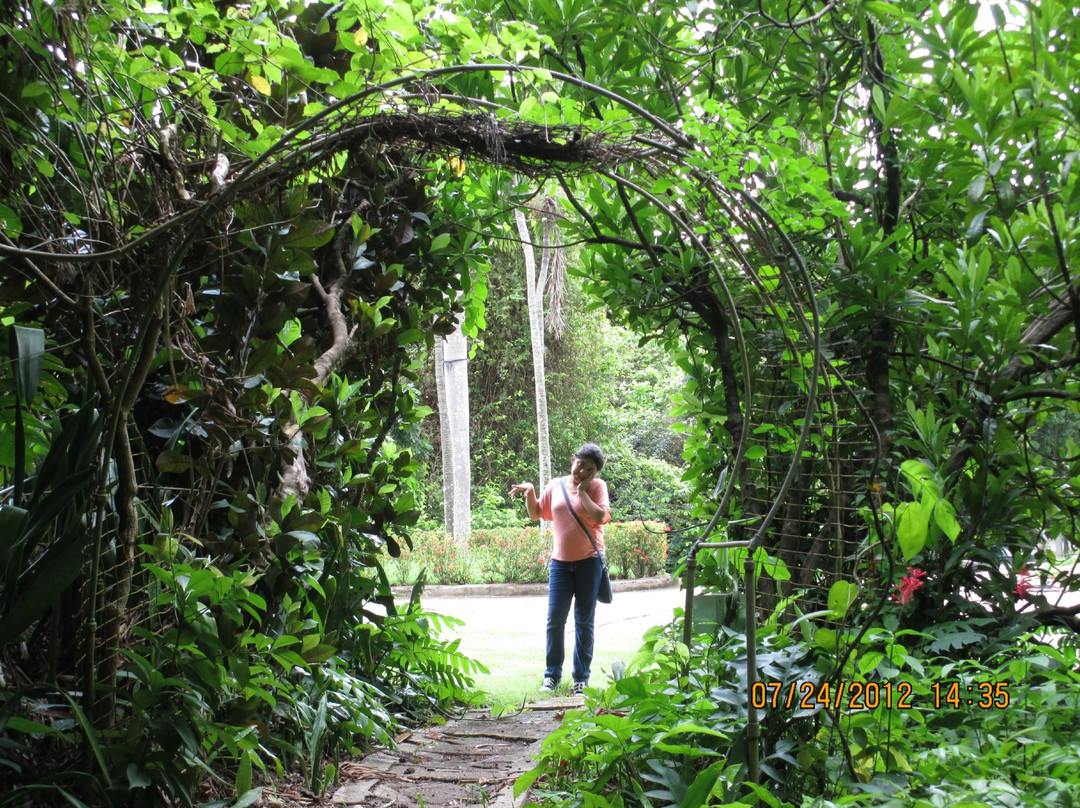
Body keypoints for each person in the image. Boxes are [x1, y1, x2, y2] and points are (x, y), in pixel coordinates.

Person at [509, 443, 611, 695]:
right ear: (573, 459)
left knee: (584, 622)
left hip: (589, 563)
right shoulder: (555, 486)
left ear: (595, 473)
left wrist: (583, 491)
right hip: (560, 565)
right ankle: (551, 675)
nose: (582, 472)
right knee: (555, 621)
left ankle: (581, 679)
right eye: (580, 465)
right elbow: (536, 514)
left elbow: (599, 517)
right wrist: (531, 491)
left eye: (589, 470)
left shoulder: (597, 488)